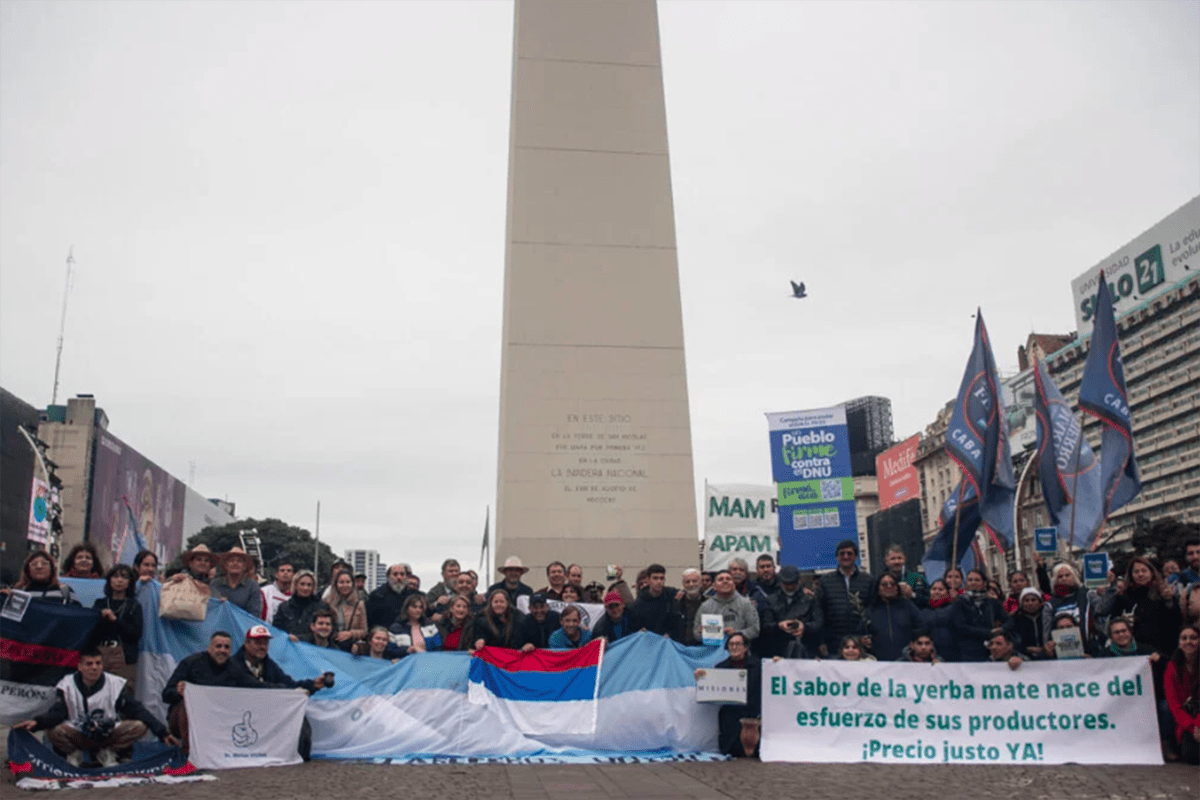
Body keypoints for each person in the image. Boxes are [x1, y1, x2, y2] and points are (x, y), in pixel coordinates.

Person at [12, 647, 177, 767]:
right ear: (80, 666)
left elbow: (137, 710)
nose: (94, 667)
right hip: (78, 733)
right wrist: (37, 723)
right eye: (89, 664)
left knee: (139, 726)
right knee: (53, 730)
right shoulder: (67, 684)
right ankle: (74, 754)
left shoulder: (115, 684)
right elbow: (58, 713)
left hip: (108, 733)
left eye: (98, 663)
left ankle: (108, 752)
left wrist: (162, 732)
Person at [228, 625, 329, 761]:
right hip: (238, 715)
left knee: (299, 715)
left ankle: (300, 757)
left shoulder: (269, 665)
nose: (262, 647)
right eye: (258, 643)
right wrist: (286, 690)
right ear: (246, 644)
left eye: (265, 643)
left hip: (265, 715)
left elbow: (290, 685)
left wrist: (313, 685)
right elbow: (253, 685)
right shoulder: (233, 664)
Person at [161, 631, 256, 754]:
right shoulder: (191, 663)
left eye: (226, 647)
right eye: (218, 646)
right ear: (209, 648)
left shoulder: (236, 668)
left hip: (218, 722)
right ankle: (189, 754)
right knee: (188, 704)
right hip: (183, 721)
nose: (222, 650)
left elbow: (256, 686)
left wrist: (285, 690)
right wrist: (178, 692)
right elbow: (166, 694)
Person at [693, 632, 760, 757]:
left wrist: (776, 664)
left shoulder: (759, 666)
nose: (734, 647)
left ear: (745, 647)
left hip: (752, 715)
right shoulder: (721, 667)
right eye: (731, 644)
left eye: (738, 644)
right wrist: (701, 678)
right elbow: (710, 691)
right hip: (731, 719)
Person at [814, 539, 873, 655]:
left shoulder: (868, 580)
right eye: (842, 554)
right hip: (833, 641)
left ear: (856, 556)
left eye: (849, 553)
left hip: (859, 642)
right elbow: (819, 612)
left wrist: (868, 636)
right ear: (837, 557)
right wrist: (821, 641)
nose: (846, 557)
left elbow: (871, 609)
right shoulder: (825, 581)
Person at [90, 564, 142, 684]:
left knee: (123, 694)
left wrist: (116, 620)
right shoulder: (100, 603)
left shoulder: (134, 606)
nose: (119, 580)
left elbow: (136, 633)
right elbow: (91, 631)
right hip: (99, 655)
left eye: (124, 577)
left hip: (125, 657)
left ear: (130, 582)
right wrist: (100, 618)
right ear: (109, 580)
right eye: (115, 576)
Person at [760, 565, 821, 658]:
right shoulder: (771, 600)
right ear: (781, 583)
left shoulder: (810, 599)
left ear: (798, 582)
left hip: (804, 649)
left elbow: (818, 623)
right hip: (777, 650)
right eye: (786, 583)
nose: (789, 587)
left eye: (792, 583)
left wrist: (804, 627)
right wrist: (779, 626)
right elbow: (765, 625)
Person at [951, 569, 1011, 662]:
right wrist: (988, 632)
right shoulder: (959, 602)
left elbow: (1009, 621)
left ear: (984, 583)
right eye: (970, 580)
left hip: (990, 650)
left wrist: (1002, 629)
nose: (973, 583)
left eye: (977, 580)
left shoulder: (993, 602)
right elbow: (961, 627)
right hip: (968, 651)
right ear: (966, 583)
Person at [865, 572, 922, 662]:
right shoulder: (871, 610)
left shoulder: (908, 606)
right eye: (884, 584)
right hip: (878, 662)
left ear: (897, 587)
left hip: (906, 660)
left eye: (892, 584)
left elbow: (920, 627)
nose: (889, 586)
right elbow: (862, 632)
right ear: (878, 588)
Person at [1164, 624, 1200, 765]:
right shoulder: (1172, 667)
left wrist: (1198, 724)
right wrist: (1192, 728)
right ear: (1179, 643)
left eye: (1193, 638)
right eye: (1184, 638)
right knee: (1192, 757)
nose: (1188, 642)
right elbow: (1173, 704)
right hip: (1186, 718)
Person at [694, 570, 760, 644]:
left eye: (728, 579)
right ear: (714, 586)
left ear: (734, 585)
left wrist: (736, 633)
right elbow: (696, 633)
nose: (725, 581)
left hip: (739, 651)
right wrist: (700, 633)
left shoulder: (746, 604)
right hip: (713, 651)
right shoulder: (705, 606)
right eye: (720, 579)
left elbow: (755, 630)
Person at [6, 550, 79, 604]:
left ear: (52, 569)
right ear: (27, 570)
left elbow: (78, 617)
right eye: (34, 564)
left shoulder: (65, 592)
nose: (39, 567)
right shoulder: (18, 593)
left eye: (44, 563)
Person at [631, 564, 682, 640]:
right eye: (655, 578)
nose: (659, 581)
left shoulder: (671, 594)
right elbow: (635, 626)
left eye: (662, 578)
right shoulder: (639, 602)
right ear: (648, 580)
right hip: (648, 642)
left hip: (668, 641)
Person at [272, 570, 330, 637]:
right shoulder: (284, 607)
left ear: (313, 587)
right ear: (296, 585)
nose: (305, 588)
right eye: (302, 584)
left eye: (309, 585)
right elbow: (276, 631)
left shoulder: (322, 607)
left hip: (312, 646)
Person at [211, 547, 263, 616]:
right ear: (226, 565)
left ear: (244, 566)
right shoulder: (215, 583)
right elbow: (210, 608)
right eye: (231, 560)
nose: (235, 563)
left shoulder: (252, 585)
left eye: (239, 561)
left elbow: (255, 613)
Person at [326, 568, 367, 650]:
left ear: (352, 584)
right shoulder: (327, 603)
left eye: (348, 582)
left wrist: (350, 634)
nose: (345, 585)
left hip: (349, 647)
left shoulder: (359, 604)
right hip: (330, 646)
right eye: (341, 582)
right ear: (336, 584)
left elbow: (364, 631)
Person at [365, 563, 414, 629]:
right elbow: (369, 621)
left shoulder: (413, 596)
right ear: (388, 577)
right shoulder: (376, 595)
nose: (399, 577)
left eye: (402, 574)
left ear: (406, 577)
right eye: (395, 574)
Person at [921, 579, 957, 662]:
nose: (937, 592)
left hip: (951, 653)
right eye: (934, 589)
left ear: (947, 592)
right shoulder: (923, 610)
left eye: (941, 589)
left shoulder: (954, 608)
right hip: (929, 655)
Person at [1012, 587, 1052, 660]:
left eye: (1033, 600)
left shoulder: (1048, 617)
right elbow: (1015, 641)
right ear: (1022, 604)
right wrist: (1027, 649)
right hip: (1025, 657)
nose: (1030, 603)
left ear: (1040, 602)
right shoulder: (1016, 619)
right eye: (1026, 600)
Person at [678, 568, 707, 646]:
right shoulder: (676, 603)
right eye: (687, 582)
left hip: (703, 647)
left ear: (701, 583)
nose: (691, 584)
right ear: (683, 584)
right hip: (681, 647)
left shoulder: (709, 603)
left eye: (694, 581)